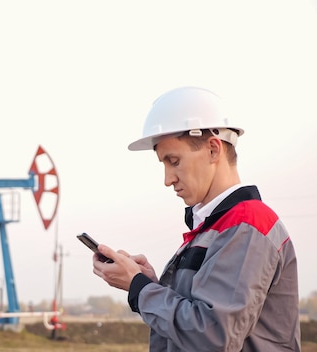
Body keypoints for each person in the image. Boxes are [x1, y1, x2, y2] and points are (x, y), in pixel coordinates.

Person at [92, 86, 301, 351]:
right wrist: (150, 284)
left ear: (214, 150)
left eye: (174, 161)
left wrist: (140, 288)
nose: (168, 179)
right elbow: (197, 319)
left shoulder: (247, 226)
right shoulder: (214, 228)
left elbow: (212, 337)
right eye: (164, 164)